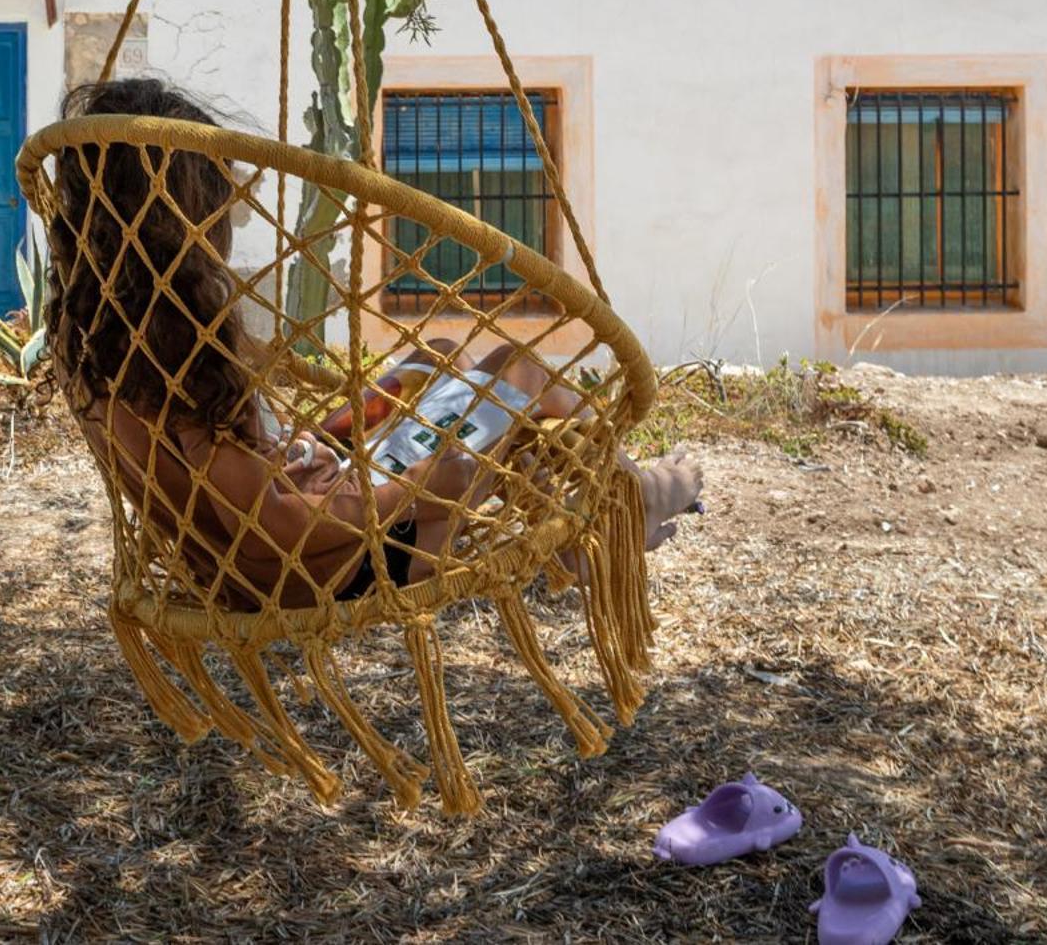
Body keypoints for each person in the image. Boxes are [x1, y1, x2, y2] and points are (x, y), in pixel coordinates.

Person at [44, 77, 703, 610]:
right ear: (182, 216)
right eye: (216, 198)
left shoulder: (107, 348)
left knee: (436, 356)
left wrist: (300, 448)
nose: (228, 217)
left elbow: (235, 484)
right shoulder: (182, 353)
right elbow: (272, 519)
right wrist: (419, 484)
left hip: (264, 558)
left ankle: (584, 525)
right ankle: (625, 494)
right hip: (344, 562)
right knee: (517, 368)